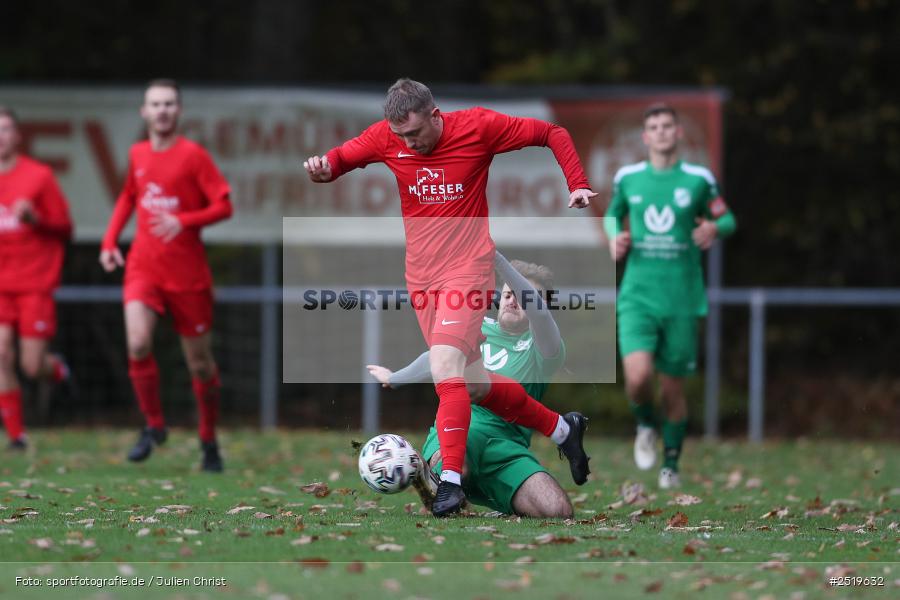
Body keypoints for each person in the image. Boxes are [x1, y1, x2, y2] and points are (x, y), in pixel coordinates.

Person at [304, 78, 594, 516]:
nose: (408, 143)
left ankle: (451, 484)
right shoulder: (388, 137)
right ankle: (561, 431)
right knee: (473, 383)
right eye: (400, 136)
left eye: (416, 133)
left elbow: (551, 133)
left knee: (445, 369)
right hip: (421, 278)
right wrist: (325, 168)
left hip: (470, 267)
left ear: (435, 115)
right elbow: (342, 158)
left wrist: (576, 182)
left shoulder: (478, 127)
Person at [368, 252, 573, 518]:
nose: (514, 300)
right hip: (459, 432)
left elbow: (542, 318)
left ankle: (479, 495)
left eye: (524, 297)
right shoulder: (477, 326)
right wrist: (394, 378)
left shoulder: (545, 349)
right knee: (458, 470)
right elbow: (435, 357)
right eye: (509, 294)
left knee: (558, 511)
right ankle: (432, 476)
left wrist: (500, 262)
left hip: (508, 447)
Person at [100, 79, 233, 472]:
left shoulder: (193, 156)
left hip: (188, 276)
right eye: (155, 104)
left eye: (169, 104)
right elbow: (128, 196)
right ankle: (154, 426)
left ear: (178, 111)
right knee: (138, 343)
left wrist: (184, 220)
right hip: (143, 268)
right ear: (144, 111)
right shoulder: (138, 153)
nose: (161, 110)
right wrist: (110, 242)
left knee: (200, 365)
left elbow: (224, 206)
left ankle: (208, 440)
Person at [604, 103, 736, 489]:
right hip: (638, 297)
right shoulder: (628, 178)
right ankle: (645, 424)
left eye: (667, 126)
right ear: (645, 137)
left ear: (678, 133)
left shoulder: (698, 180)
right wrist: (615, 238)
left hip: (681, 298)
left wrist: (713, 228)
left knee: (673, 388)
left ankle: (671, 465)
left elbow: (727, 218)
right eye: (654, 127)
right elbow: (612, 214)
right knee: (638, 377)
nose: (661, 132)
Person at [0, 107, 74, 450]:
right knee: (1, 353)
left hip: (34, 282)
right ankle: (17, 435)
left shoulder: (39, 176)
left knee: (32, 366)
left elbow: (65, 228)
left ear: (17, 136)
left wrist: (35, 218)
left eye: (6, 129)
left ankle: (57, 369)